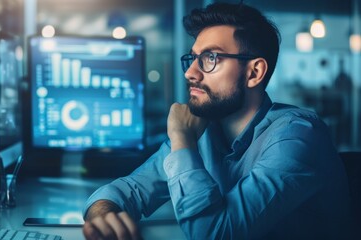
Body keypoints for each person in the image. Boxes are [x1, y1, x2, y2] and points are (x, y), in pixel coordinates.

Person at [82, 2, 355, 239]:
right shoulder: (203, 131)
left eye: (210, 58)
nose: (190, 72)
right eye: (193, 58)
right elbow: (127, 189)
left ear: (254, 72)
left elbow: (216, 234)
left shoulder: (298, 136)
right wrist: (102, 214)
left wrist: (181, 139)